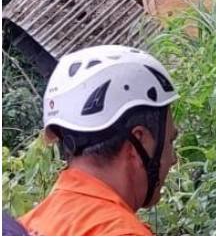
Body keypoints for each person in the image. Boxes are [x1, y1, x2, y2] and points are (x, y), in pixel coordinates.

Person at [19, 45, 179, 236]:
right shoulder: (121, 232)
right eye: (170, 142)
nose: (174, 159)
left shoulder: (29, 225)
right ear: (139, 142)